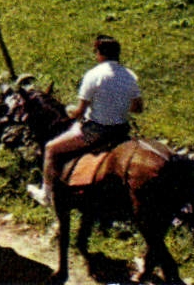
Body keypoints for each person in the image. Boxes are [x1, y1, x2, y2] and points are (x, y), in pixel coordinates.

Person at [29, 33, 144, 207]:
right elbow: (137, 108)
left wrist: (69, 110)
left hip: (96, 132)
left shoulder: (93, 75)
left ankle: (46, 193)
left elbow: (79, 111)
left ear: (99, 53)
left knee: (51, 148)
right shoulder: (130, 76)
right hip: (121, 131)